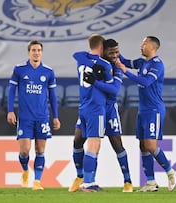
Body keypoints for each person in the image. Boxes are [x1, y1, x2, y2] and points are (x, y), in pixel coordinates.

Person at [69, 39, 134, 193]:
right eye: (111, 53)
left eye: (117, 52)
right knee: (77, 141)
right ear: (103, 50)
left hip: (109, 110)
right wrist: (93, 65)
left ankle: (127, 181)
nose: (115, 56)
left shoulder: (116, 67)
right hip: (92, 108)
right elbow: (77, 55)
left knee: (117, 145)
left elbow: (115, 89)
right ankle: (81, 177)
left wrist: (95, 82)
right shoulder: (98, 61)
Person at [116, 36, 176, 192]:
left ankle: (170, 170)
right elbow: (125, 61)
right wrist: (114, 49)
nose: (141, 46)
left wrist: (125, 72)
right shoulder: (142, 62)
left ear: (152, 47)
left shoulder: (157, 65)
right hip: (143, 110)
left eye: (144, 44)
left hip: (154, 110)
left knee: (150, 145)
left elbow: (146, 82)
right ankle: (150, 182)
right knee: (143, 146)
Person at [7, 40, 61, 190]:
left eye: (39, 50)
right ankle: (25, 170)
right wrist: (10, 110)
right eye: (33, 50)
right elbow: (11, 90)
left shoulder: (48, 72)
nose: (36, 53)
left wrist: (55, 116)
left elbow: (53, 96)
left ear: (41, 53)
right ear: (28, 52)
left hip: (42, 117)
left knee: (40, 150)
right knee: (24, 151)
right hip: (25, 117)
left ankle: (37, 182)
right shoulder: (19, 70)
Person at [74, 34, 114, 192]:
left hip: (84, 106)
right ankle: (88, 183)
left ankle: (90, 180)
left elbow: (76, 54)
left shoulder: (80, 60)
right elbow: (112, 91)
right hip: (96, 107)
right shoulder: (105, 64)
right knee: (94, 144)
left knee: (92, 144)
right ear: (102, 47)